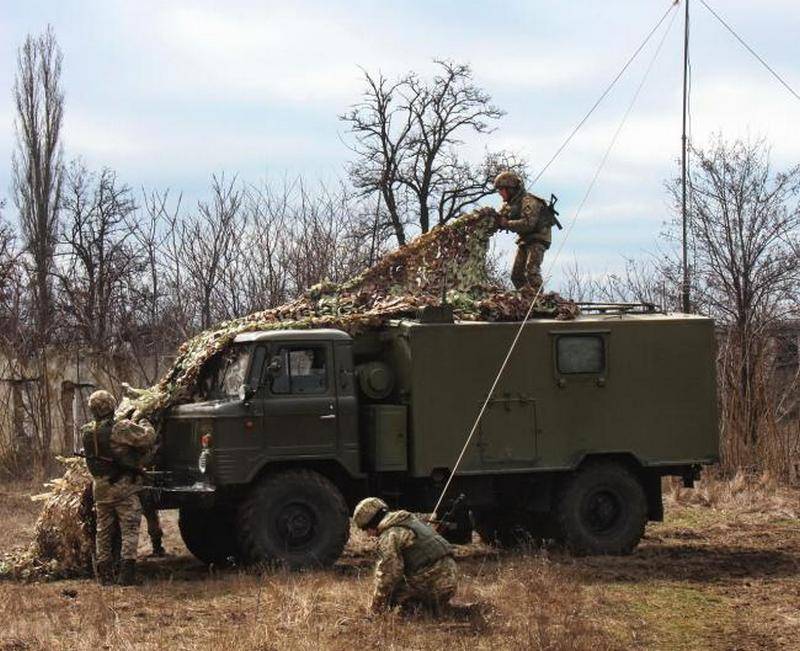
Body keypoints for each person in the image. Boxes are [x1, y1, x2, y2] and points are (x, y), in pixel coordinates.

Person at [80, 390, 156, 585]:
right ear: (111, 406)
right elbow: (148, 438)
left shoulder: (87, 431)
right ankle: (126, 576)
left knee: (103, 531)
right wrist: (143, 419)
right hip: (122, 488)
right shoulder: (120, 428)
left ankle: (105, 577)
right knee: (129, 529)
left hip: (101, 489)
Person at [352, 497, 457, 614]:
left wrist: (375, 608)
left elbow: (388, 576)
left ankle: (423, 610)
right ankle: (438, 607)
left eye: (365, 529)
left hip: (434, 584)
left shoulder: (390, 535)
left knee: (394, 598)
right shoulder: (410, 520)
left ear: (372, 523)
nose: (368, 535)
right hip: (449, 579)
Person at [490, 170, 556, 294]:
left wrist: (507, 224)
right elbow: (501, 216)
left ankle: (537, 299)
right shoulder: (511, 203)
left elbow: (528, 224)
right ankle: (525, 298)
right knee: (516, 275)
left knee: (531, 270)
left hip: (538, 238)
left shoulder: (529, 201)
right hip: (525, 239)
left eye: (501, 190)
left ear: (510, 189)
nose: (500, 193)